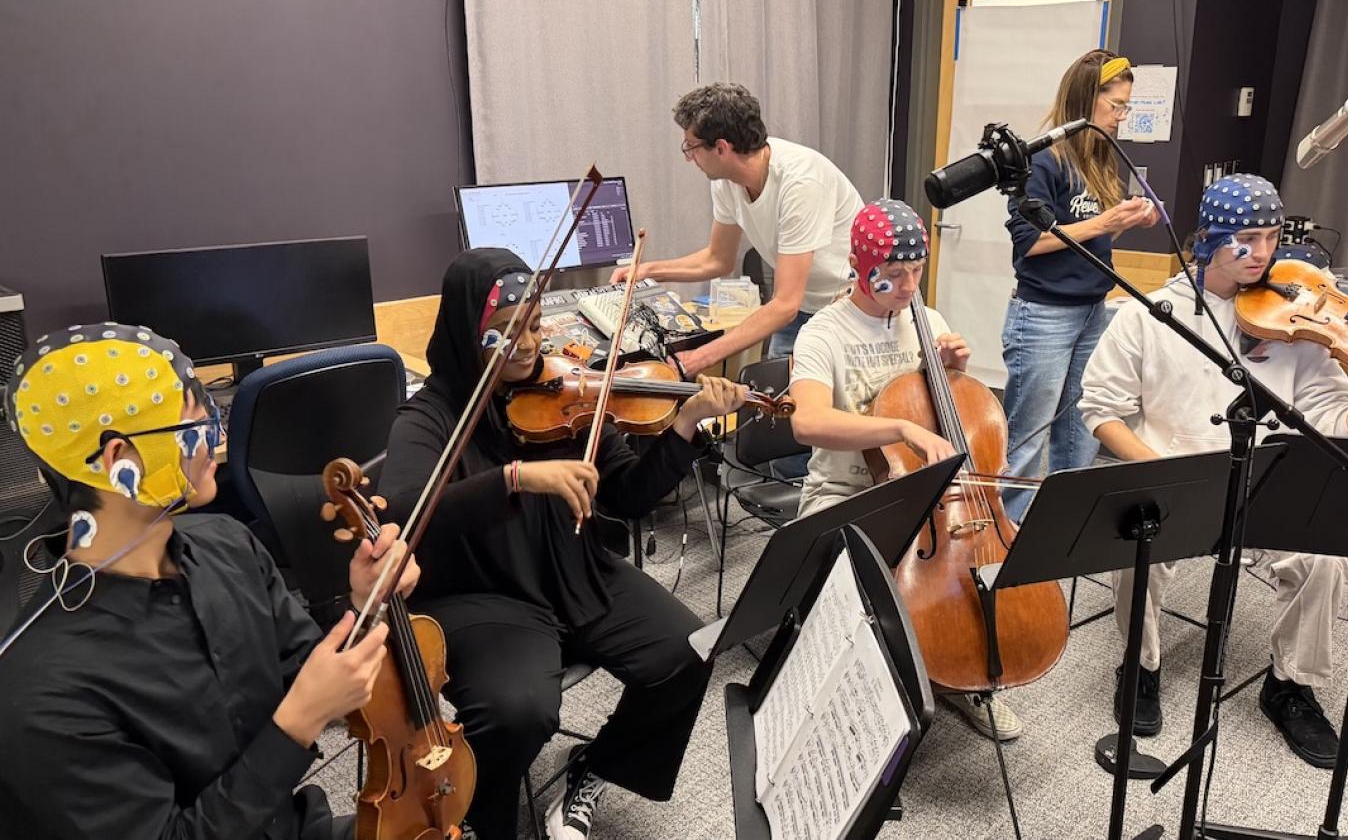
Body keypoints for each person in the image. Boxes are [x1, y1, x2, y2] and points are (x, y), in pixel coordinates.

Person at [1078, 174, 1348, 768]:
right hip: (1176, 479)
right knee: (1137, 546)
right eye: (1246, 239)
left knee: (1324, 560)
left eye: (1269, 237)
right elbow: (1100, 411)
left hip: (1269, 483)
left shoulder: (1295, 322)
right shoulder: (1148, 315)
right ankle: (1140, 664)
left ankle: (1289, 685)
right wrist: (1157, 470)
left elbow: (1337, 420)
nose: (1262, 254)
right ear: (1209, 239)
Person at [379, 248, 746, 840]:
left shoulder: (569, 386)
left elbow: (627, 497)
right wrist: (514, 477)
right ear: (465, 335)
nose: (525, 344)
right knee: (517, 712)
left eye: (532, 322)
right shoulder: (430, 414)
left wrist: (683, 426)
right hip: (484, 594)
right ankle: (479, 820)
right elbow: (402, 509)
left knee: (688, 651)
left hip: (571, 567)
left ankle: (595, 769)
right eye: (501, 333)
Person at [0, 323, 417, 839]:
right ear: (120, 461)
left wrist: (365, 603)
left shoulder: (227, 543)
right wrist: (297, 724)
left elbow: (314, 675)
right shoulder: (42, 696)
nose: (217, 437)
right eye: (199, 421)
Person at [787, 198, 1023, 742]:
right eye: (894, 275)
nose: (911, 285)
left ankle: (968, 680)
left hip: (933, 497)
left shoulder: (926, 319)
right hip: (846, 490)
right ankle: (850, 697)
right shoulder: (824, 333)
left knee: (976, 575)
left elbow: (944, 411)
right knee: (858, 586)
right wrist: (899, 430)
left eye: (917, 270)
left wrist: (953, 374)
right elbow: (808, 422)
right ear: (859, 266)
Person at [1000, 49, 1160, 520]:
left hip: (1093, 308)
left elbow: (1089, 234)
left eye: (1126, 107)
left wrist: (1127, 221)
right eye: (1116, 106)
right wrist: (1104, 221)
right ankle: (1007, 535)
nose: (1121, 117)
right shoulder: (1041, 161)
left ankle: (1062, 529)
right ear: (1085, 101)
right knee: (1028, 436)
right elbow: (1029, 243)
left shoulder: (1101, 157)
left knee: (1080, 431)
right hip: (1044, 315)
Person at [611, 82, 863, 376]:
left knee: (814, 411)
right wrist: (646, 271)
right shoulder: (726, 182)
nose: (687, 157)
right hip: (801, 304)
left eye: (690, 148)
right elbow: (718, 259)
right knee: (779, 404)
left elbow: (784, 304)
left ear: (721, 148)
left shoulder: (801, 183)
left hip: (846, 308)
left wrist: (697, 359)